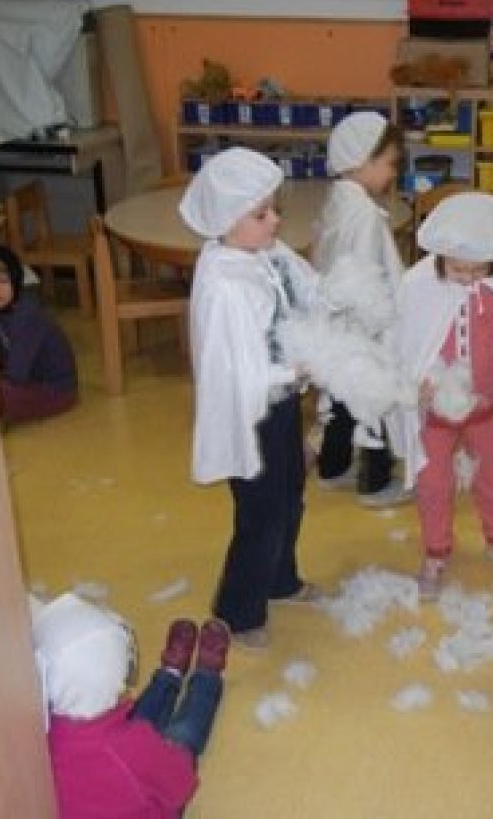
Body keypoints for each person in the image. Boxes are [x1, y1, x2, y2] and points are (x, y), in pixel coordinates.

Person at [182, 147, 323, 650]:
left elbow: (306, 285)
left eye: (274, 209)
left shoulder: (262, 253)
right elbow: (238, 372)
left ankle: (280, 579)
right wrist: (296, 367)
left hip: (279, 401)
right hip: (252, 414)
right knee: (261, 511)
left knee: (289, 492)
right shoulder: (225, 285)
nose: (275, 221)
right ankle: (237, 612)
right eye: (261, 214)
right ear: (227, 221)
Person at [393, 191, 493, 599]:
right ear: (439, 255)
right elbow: (403, 343)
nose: (467, 278)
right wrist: (414, 383)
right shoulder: (417, 285)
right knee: (434, 484)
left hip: (487, 408)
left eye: (477, 270)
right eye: (457, 269)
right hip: (435, 412)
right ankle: (435, 553)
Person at [30, 591, 230, 818]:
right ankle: (206, 677)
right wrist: (175, 753)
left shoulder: (37, 737)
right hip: (135, 771)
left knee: (136, 721)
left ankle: (170, 674)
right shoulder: (133, 747)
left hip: (103, 747)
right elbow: (181, 784)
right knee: (181, 736)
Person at [310, 111, 409, 506]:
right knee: (374, 400)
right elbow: (366, 274)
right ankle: (375, 482)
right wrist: (379, 334)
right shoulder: (365, 214)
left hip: (337, 324)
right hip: (364, 325)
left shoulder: (338, 201)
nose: (393, 173)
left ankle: (332, 468)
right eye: (389, 163)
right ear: (361, 160)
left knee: (341, 399)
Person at [0, 241, 78, 425]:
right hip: (28, 382)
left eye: (3, 281)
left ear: (15, 281)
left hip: (55, 391)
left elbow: (16, 373)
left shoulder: (29, 316)